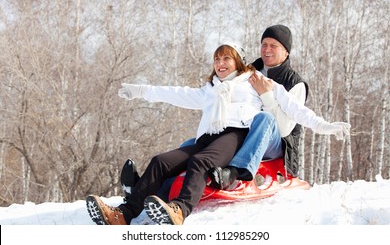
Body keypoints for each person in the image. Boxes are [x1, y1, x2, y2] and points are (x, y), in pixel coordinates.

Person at [86, 43, 349, 226]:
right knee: (160, 161)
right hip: (208, 138)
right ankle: (123, 214)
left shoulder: (254, 81)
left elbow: (296, 109)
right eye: (217, 59)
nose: (220, 63)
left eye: (226, 58)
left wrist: (326, 126)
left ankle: (179, 210)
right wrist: (142, 91)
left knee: (200, 162)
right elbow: (177, 94)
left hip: (236, 136)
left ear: (238, 60)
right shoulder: (211, 88)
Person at [207, 24, 319, 189]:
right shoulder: (248, 71)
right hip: (243, 132)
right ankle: (183, 175)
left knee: (264, 120)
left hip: (277, 145)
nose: (267, 49)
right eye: (264, 44)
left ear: (286, 51)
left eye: (274, 46)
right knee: (198, 140)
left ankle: (233, 173)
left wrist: (266, 96)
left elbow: (284, 130)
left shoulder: (295, 83)